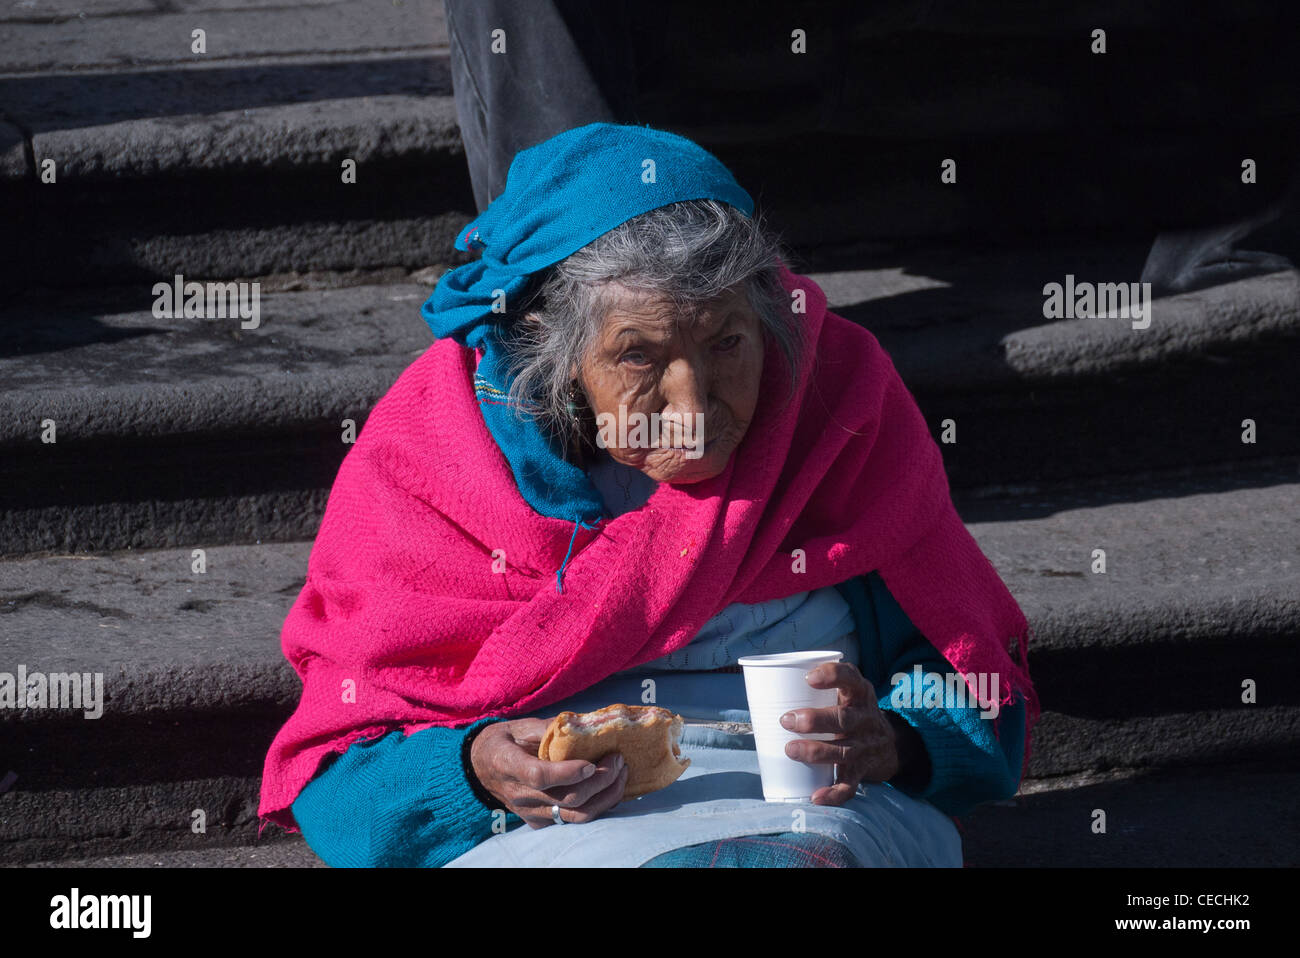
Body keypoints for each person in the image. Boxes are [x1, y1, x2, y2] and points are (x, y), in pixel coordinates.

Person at [257, 122, 1039, 867]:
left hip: (823, 819)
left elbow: (973, 686)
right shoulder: (437, 457)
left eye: (727, 343)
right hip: (549, 839)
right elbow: (342, 779)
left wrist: (897, 736)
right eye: (638, 357)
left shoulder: (838, 405)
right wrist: (472, 771)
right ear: (554, 352)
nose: (694, 410)